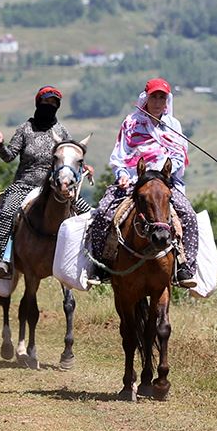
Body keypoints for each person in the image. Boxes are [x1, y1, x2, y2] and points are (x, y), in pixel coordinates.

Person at [86, 78, 198, 287]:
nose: (157, 101)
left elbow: (179, 156)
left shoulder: (173, 126)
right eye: (153, 96)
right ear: (145, 98)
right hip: (133, 180)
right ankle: (101, 265)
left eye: (161, 97)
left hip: (165, 181)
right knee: (103, 213)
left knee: (189, 216)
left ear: (167, 100)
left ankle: (185, 267)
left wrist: (163, 173)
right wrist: (121, 174)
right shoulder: (131, 122)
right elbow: (120, 154)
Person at [0, 86, 93, 281]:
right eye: (46, 103)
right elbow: (9, 157)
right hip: (24, 184)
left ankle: (89, 262)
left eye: (54, 104)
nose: (50, 106)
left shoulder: (61, 131)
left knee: (90, 216)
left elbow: (70, 157)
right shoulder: (25, 129)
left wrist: (85, 167)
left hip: (56, 187)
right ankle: (4, 260)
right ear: (38, 104)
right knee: (6, 214)